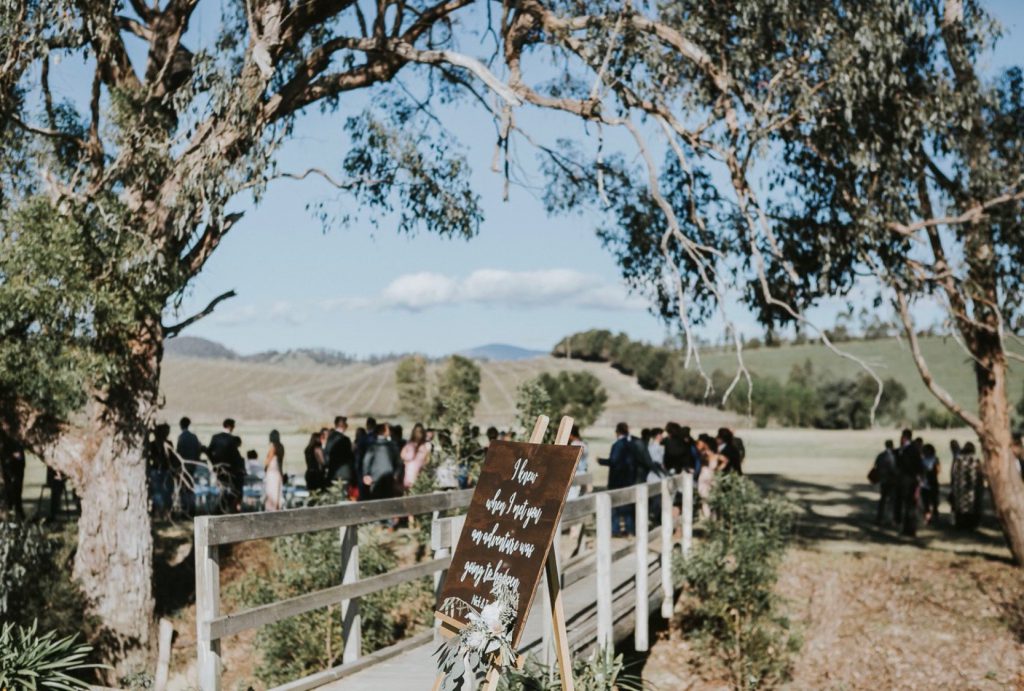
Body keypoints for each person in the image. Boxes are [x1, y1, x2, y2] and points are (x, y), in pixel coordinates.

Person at [598, 422, 638, 536]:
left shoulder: (617, 445)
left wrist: (601, 461)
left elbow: (614, 461)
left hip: (617, 480)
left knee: (614, 505)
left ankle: (615, 530)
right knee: (627, 505)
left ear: (617, 432)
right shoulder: (631, 444)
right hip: (628, 479)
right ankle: (630, 529)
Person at [208, 419, 244, 513]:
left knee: (222, 490)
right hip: (230, 470)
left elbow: (209, 452)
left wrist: (214, 464)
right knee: (230, 491)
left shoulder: (215, 437)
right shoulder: (231, 439)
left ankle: (220, 509)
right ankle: (223, 509)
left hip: (218, 469)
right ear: (230, 426)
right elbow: (235, 456)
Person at [895, 428, 923, 536]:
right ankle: (908, 528)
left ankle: (910, 529)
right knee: (908, 506)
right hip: (909, 480)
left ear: (904, 437)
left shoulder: (909, 450)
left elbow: (914, 466)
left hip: (909, 481)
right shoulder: (910, 449)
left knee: (910, 507)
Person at [950, 441, 983, 529]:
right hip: (971, 487)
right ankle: (971, 525)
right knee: (971, 506)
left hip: (959, 488)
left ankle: (960, 524)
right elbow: (979, 473)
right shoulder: (975, 459)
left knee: (960, 506)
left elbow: (953, 473)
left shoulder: (958, 459)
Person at [362, 423, 398, 501]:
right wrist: (396, 474)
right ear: (384, 431)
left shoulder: (372, 446)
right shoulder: (392, 445)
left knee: (376, 501)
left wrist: (366, 474)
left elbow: (366, 461)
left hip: (375, 477)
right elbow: (398, 462)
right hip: (389, 476)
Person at [148, 423, 175, 519]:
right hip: (158, 471)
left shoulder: (166, 444)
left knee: (164, 493)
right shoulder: (153, 444)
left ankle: (165, 513)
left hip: (163, 471)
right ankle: (160, 513)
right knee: (159, 493)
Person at [176, 417, 202, 516]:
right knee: (190, 489)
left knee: (184, 490)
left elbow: (178, 452)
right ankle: (191, 509)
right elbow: (198, 450)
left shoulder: (182, 437)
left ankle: (185, 510)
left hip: (183, 467)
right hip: (192, 466)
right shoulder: (193, 437)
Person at [695, 434, 724, 519]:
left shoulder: (704, 454)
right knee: (712, 497)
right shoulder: (716, 455)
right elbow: (725, 460)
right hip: (713, 475)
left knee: (704, 497)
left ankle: (708, 516)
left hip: (704, 475)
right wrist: (718, 468)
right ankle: (713, 516)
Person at [324, 416, 355, 494]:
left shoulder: (330, 438)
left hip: (333, 473)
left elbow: (326, 456)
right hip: (344, 473)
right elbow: (350, 457)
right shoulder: (345, 439)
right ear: (343, 425)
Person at [872, 440, 898, 526]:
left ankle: (879, 518)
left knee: (883, 499)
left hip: (883, 480)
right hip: (891, 480)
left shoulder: (881, 455)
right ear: (892, 445)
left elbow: (876, 465)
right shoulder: (893, 455)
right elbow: (893, 468)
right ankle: (890, 519)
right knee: (891, 501)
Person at [400, 423, 431, 492]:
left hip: (418, 476)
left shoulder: (426, 445)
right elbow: (402, 455)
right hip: (410, 475)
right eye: (417, 432)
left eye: (420, 432)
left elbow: (427, 460)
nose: (418, 434)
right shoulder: (409, 444)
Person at [264, 430, 284, 511]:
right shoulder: (281, 447)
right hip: (278, 472)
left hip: (272, 472)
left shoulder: (273, 447)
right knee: (277, 493)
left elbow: (267, 461)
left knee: (271, 494)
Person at [920, 443, 941, 525]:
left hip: (932, 483)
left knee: (934, 502)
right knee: (926, 502)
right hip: (924, 483)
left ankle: (934, 516)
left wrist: (929, 472)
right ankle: (928, 517)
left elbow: (938, 470)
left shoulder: (935, 459)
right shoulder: (922, 459)